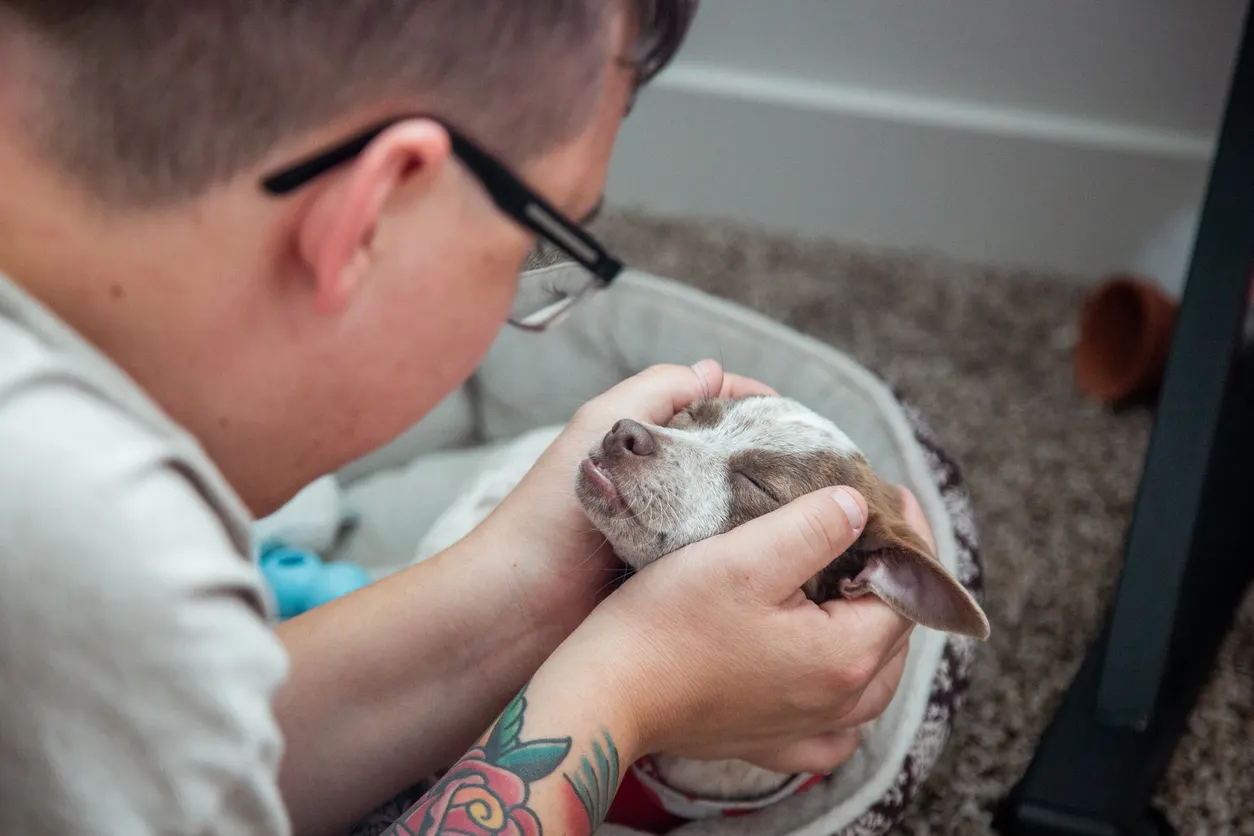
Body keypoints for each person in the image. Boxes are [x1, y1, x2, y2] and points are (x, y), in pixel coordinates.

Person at [0, 2, 928, 834]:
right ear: (374, 211)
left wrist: (526, 592)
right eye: (534, 247)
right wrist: (627, 682)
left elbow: (182, 749)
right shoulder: (88, 536)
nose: (520, 306)